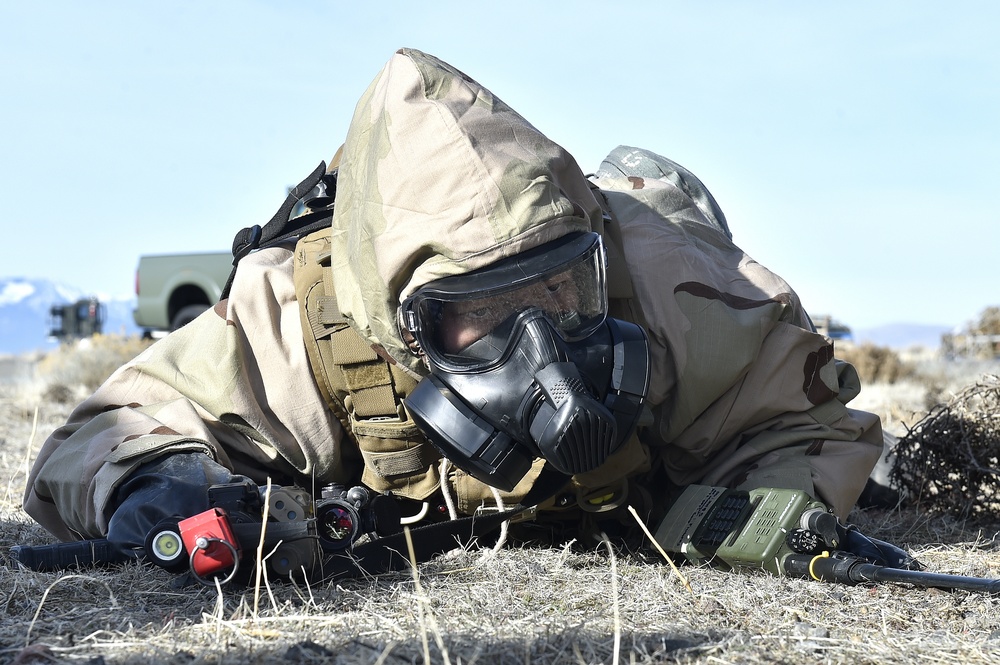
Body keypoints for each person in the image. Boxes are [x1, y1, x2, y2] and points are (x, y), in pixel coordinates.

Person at [22, 48, 888, 567]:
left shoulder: (667, 278)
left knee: (666, 188)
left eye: (560, 292)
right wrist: (163, 489)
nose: (544, 348)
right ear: (404, 325)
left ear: (592, 260)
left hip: (640, 220)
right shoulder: (302, 318)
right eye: (484, 316)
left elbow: (809, 422)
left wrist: (756, 514)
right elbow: (102, 434)